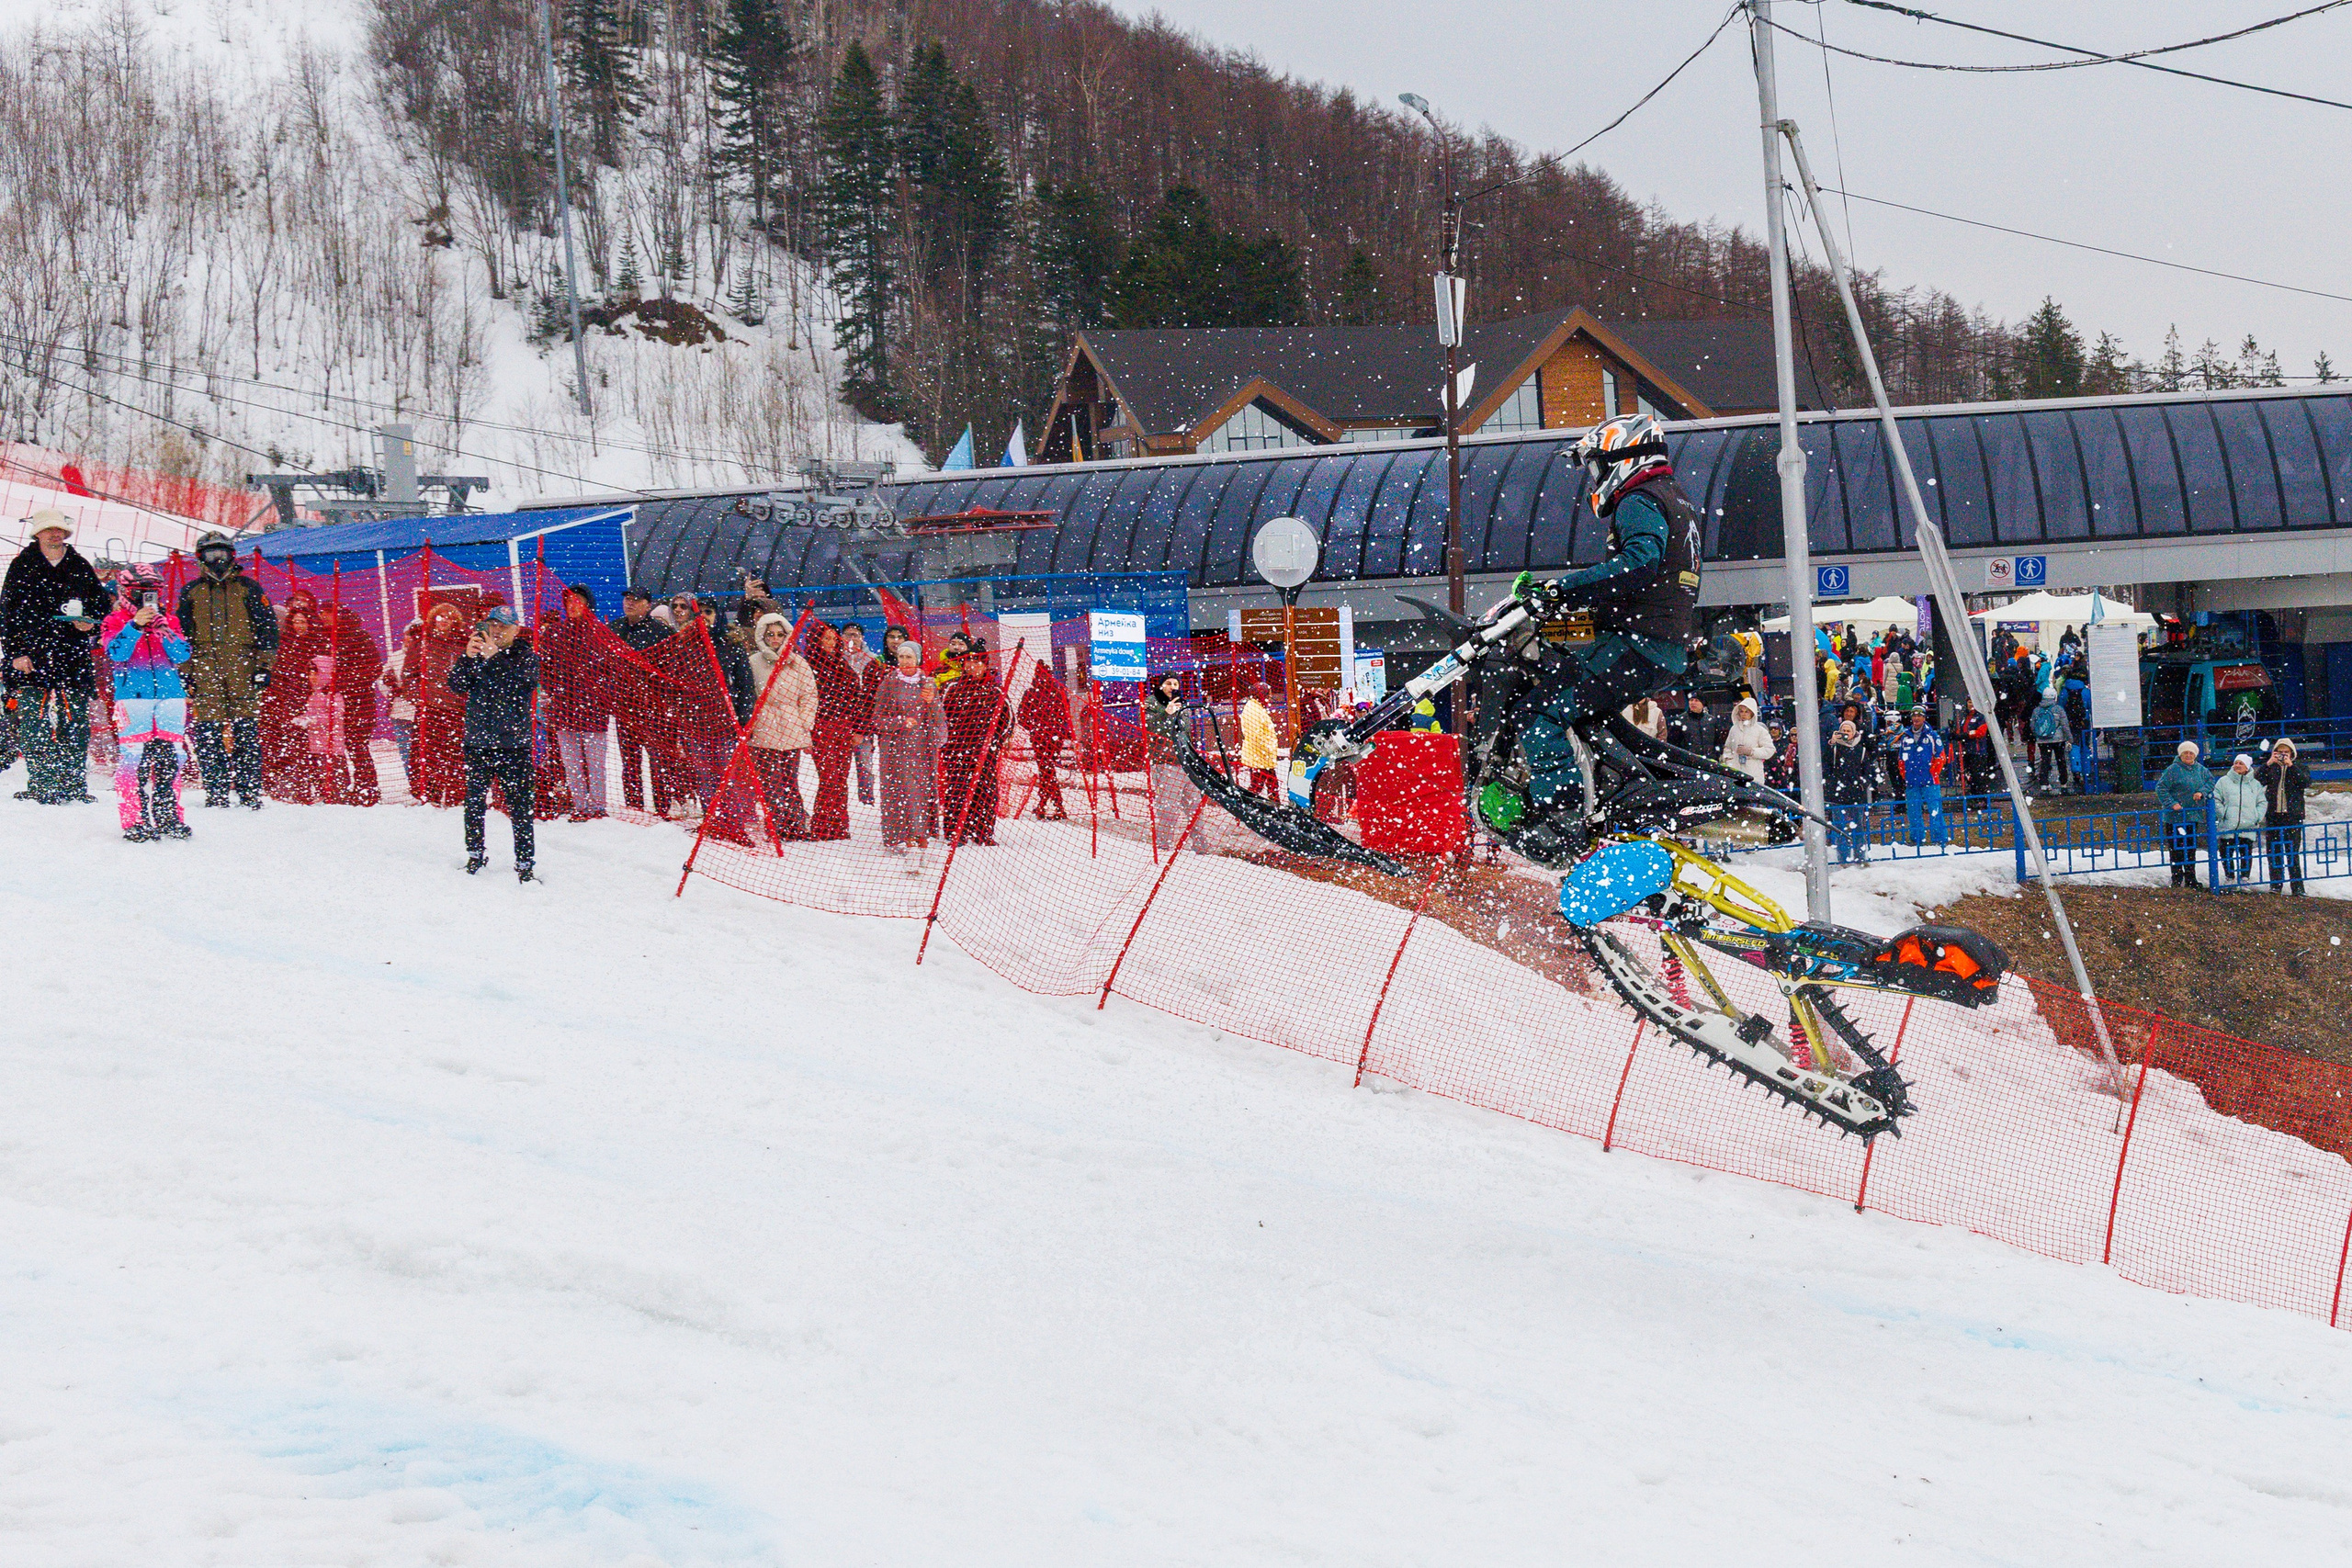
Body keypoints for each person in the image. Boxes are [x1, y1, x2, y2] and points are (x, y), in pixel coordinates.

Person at [4, 512, 108, 805]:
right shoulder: (22, 566)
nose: (54, 534)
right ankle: (41, 784)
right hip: (31, 657)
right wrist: (16, 653)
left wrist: (91, 622)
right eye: (48, 530)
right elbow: (8, 614)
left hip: (71, 656)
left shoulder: (79, 566)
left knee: (74, 723)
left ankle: (72, 784)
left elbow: (101, 607)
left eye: (59, 530)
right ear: (37, 534)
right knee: (33, 726)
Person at [174, 531, 277, 807]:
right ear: (201, 558)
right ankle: (216, 791)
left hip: (243, 665)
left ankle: (249, 792)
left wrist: (264, 666)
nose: (217, 560)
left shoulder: (249, 588)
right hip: (205, 666)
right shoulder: (191, 592)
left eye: (222, 554)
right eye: (211, 555)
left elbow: (268, 629)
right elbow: (181, 635)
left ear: (232, 556)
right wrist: (185, 671)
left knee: (246, 732)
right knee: (208, 733)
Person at [447, 607, 541, 881]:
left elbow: (520, 687)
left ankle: (525, 863)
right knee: (474, 802)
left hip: (514, 745)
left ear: (516, 629)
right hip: (478, 742)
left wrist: (495, 659)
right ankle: (475, 854)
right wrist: (467, 657)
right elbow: (456, 685)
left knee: (520, 806)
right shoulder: (477, 653)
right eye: (494, 625)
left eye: (504, 626)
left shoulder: (526, 657)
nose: (498, 630)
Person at [100, 567, 193, 840]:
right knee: (133, 759)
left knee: (172, 757)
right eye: (140, 592)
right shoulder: (114, 620)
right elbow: (116, 652)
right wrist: (135, 626)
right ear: (126, 592)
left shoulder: (170, 621)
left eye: (152, 592)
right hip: (132, 696)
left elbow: (182, 654)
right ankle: (134, 819)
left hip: (170, 695)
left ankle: (168, 816)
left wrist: (164, 629)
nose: (147, 598)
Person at [539, 583, 611, 821]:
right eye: (568, 601)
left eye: (578, 601)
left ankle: (598, 806)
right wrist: (554, 693)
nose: (572, 606)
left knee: (595, 762)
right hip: (563, 708)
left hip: (593, 709)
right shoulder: (554, 634)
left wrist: (601, 697)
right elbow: (545, 669)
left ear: (588, 605)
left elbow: (610, 672)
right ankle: (580, 805)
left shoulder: (600, 633)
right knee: (571, 763)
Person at [742, 610, 816, 840]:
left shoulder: (796, 662)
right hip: (764, 725)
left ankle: (794, 824)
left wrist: (804, 723)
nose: (775, 639)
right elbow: (747, 693)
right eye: (770, 634)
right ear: (762, 636)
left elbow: (809, 695)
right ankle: (776, 824)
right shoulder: (754, 662)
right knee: (769, 782)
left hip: (791, 725)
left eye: (780, 634)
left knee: (789, 779)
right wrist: (752, 721)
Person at [870, 637, 943, 863]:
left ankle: (919, 831)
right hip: (894, 747)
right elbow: (877, 719)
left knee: (919, 789)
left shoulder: (927, 683)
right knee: (896, 790)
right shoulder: (889, 683)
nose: (904, 661)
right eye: (901, 656)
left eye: (908, 656)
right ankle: (898, 833)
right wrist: (900, 722)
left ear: (917, 659)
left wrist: (931, 706)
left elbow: (938, 717)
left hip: (921, 746)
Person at [606, 588, 675, 816]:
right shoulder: (614, 628)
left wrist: (661, 698)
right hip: (623, 706)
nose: (630, 603)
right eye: (627, 599)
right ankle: (634, 808)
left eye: (636, 600)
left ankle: (662, 807)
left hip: (653, 707)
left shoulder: (660, 631)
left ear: (648, 605)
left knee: (658, 761)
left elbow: (670, 669)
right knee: (629, 761)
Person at [939, 644, 1012, 844]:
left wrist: (997, 741)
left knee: (986, 793)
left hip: (985, 753)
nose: (973, 666)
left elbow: (1008, 720)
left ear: (985, 665)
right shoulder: (951, 688)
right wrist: (946, 742)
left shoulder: (996, 691)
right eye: (970, 661)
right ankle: (956, 832)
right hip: (957, 751)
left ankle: (983, 833)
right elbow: (939, 718)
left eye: (978, 661)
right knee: (957, 791)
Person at [405, 599, 472, 807]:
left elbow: (472, 675)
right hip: (430, 708)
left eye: (449, 618)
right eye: (440, 617)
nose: (444, 621)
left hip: (456, 709)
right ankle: (428, 795)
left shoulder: (463, 644)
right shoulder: (422, 642)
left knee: (456, 755)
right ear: (433, 620)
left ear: (455, 622)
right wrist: (419, 698)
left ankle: (456, 796)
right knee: (426, 754)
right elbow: (408, 675)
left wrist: (466, 697)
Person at [802, 620, 862, 841]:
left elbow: (857, 697)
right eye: (825, 639)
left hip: (843, 727)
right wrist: (806, 731)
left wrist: (857, 728)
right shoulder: (807, 666)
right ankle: (823, 825)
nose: (829, 643)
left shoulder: (842, 666)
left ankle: (838, 826)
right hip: (820, 728)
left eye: (833, 639)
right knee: (829, 778)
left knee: (841, 777)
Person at [1144, 671, 1209, 855]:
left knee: (1194, 806)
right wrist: (1165, 714)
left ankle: (1201, 846)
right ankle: (1164, 846)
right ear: (1160, 685)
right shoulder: (1151, 702)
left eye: (1175, 683)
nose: (1172, 687)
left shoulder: (1183, 703)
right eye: (1168, 683)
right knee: (1168, 808)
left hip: (1186, 762)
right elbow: (1148, 727)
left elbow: (1186, 731)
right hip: (1165, 762)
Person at [1018, 662, 1075, 818]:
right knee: (1047, 770)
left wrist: (1034, 727)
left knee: (1046, 770)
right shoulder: (1057, 692)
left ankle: (1050, 805)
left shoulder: (1031, 693)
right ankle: (1051, 805)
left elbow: (1021, 716)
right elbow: (1065, 714)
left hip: (1041, 737)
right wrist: (1057, 729)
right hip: (1053, 737)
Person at [2154, 740, 2212, 890]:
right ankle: (2177, 878)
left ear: (2195, 755)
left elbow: (2210, 782)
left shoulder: (2201, 770)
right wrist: (2172, 803)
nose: (2188, 755)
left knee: (2191, 848)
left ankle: (2191, 878)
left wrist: (2202, 792)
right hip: (2174, 818)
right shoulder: (2172, 770)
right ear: (2180, 755)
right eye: (2185, 753)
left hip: (2192, 816)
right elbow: (2161, 788)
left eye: (2191, 753)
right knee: (2177, 848)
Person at [2256, 738, 2312, 896]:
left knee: (2292, 852)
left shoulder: (2299, 767)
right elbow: (2257, 780)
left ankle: (2298, 887)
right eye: (2279, 752)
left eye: (2286, 752)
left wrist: (2291, 766)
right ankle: (2276, 885)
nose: (2282, 755)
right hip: (2274, 816)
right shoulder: (2271, 767)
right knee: (2274, 851)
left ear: (2292, 753)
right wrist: (2268, 763)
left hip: (2293, 816)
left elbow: (2305, 782)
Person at [1890, 708, 1948, 849]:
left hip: (1930, 782)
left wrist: (1932, 772)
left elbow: (1940, 757)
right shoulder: (1905, 736)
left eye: (1919, 716)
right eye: (1914, 716)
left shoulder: (1932, 735)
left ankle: (1939, 839)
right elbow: (1901, 759)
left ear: (1924, 718)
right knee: (1913, 812)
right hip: (1912, 782)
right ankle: (1916, 839)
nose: (1916, 718)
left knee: (1935, 810)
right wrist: (1905, 774)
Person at [1825, 717, 1876, 864]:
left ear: (1854, 733)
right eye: (1843, 730)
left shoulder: (1861, 750)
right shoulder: (1834, 749)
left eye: (1848, 731)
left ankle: (1861, 857)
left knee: (1858, 826)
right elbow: (1826, 765)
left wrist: (1862, 784)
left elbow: (1868, 771)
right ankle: (1843, 859)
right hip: (1838, 795)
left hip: (1856, 794)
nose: (1846, 733)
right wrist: (1831, 743)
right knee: (1840, 828)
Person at [840, 622, 878, 806]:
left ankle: (866, 800)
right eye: (848, 635)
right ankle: (841, 801)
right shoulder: (837, 659)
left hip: (864, 723)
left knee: (865, 765)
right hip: (841, 721)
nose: (852, 639)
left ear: (862, 638)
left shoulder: (871, 661)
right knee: (839, 767)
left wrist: (863, 727)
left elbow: (872, 698)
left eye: (855, 635)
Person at [2212, 753, 2265, 886]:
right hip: (2228, 824)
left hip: (2248, 825)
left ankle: (2244, 879)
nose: (2237, 766)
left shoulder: (2255, 784)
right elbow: (2216, 799)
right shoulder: (2223, 781)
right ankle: (2229, 877)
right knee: (2226, 852)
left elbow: (2262, 802)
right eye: (2236, 763)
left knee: (2246, 853)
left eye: (2241, 763)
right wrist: (2222, 813)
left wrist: (2257, 817)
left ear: (2247, 767)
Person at [1238, 681, 1281, 798]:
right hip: (1260, 756)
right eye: (1268, 694)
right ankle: (1246, 808)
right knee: (1258, 787)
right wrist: (1268, 749)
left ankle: (1275, 808)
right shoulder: (1253, 710)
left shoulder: (1257, 707)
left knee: (1269, 785)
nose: (1270, 697)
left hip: (1263, 756)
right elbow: (1255, 735)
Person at [2030, 682, 2074, 795]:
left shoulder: (2037, 710)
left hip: (2043, 740)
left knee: (2045, 761)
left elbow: (2033, 726)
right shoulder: (2058, 709)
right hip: (2058, 740)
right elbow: (2065, 725)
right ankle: (2063, 783)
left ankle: (2044, 784)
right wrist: (2069, 739)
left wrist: (2039, 735)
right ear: (2055, 697)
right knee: (2061, 760)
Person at [1719, 700, 1773, 783]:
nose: (1743, 714)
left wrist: (1752, 751)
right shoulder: (1734, 729)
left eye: (1747, 712)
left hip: (1754, 774)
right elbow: (1727, 748)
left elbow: (1770, 750)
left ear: (1752, 712)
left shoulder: (1760, 731)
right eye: (1741, 711)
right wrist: (1729, 762)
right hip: (1735, 773)